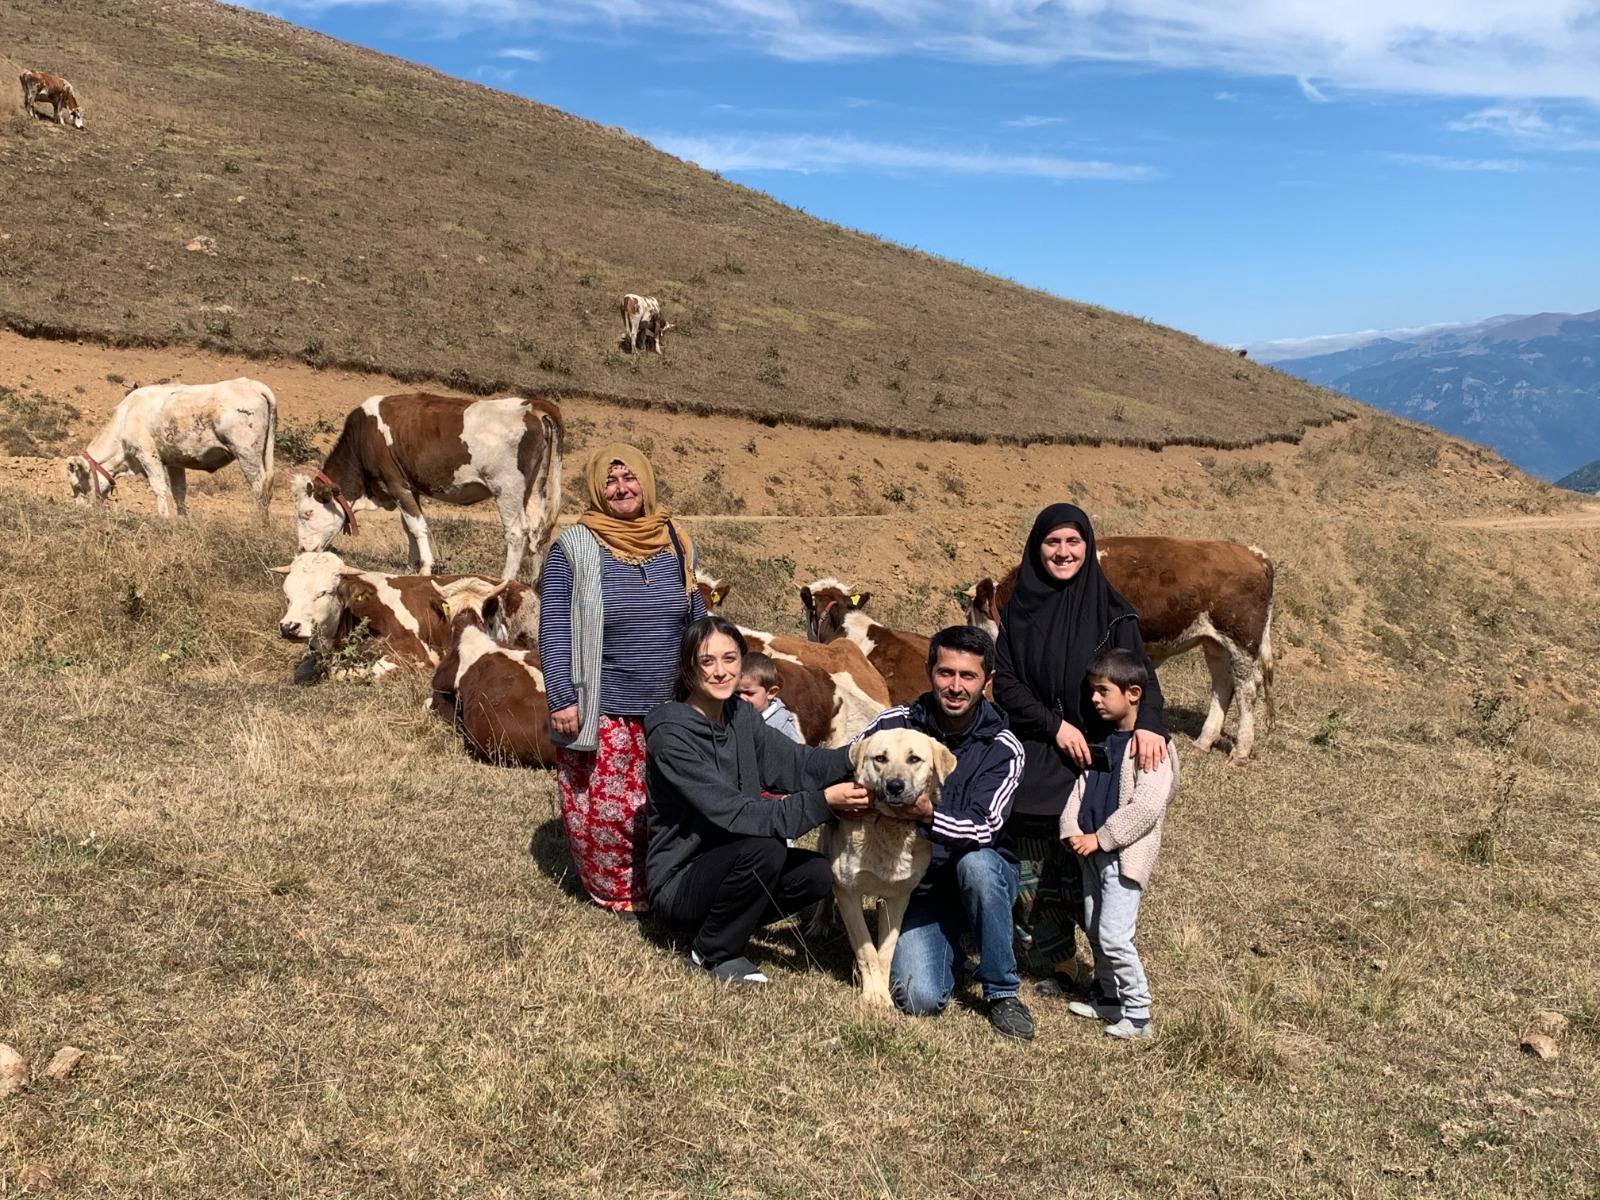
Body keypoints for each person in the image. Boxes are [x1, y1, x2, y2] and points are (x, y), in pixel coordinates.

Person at [993, 503, 1167, 995]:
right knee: (1028, 851)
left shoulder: (1113, 614)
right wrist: (1055, 726)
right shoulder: (1019, 609)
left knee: (1081, 860)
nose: (1063, 552)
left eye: (1073, 542)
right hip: (1035, 743)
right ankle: (1038, 950)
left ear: (1087, 548)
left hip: (1094, 754)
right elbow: (1005, 682)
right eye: (1053, 542)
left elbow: (1143, 679)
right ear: (1037, 548)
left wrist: (1150, 725)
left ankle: (1084, 961)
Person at [645, 616, 871, 984]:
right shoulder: (671, 735)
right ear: (688, 668)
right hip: (681, 881)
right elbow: (734, 813)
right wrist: (825, 802)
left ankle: (727, 923)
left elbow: (797, 764)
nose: (721, 672)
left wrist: (856, 755)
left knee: (816, 875)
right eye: (707, 661)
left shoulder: (740, 716)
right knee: (764, 848)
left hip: (734, 861)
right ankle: (711, 951)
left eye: (730, 659)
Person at [539, 444, 707, 916]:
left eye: (629, 479)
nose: (621, 489)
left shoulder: (675, 539)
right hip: (603, 703)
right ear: (597, 489)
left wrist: (715, 670)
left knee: (665, 801)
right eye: (610, 481)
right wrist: (561, 698)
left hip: (669, 703)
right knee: (607, 810)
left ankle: (665, 882)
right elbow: (553, 627)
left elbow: (697, 612)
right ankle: (616, 893)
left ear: (646, 484)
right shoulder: (574, 546)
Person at [853, 625, 1032, 1040]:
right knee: (917, 997)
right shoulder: (894, 723)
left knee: (979, 866)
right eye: (945, 673)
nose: (955, 686)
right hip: (919, 884)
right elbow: (853, 761)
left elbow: (984, 827)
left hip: (978, 869)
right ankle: (952, 944)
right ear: (930, 672)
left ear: (987, 682)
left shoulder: (1004, 748)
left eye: (968, 676)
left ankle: (1002, 991)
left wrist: (926, 815)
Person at [1061, 648, 1178, 1039]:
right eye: (1092, 691)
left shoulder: (1152, 748)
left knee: (1114, 934)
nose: (1094, 699)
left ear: (1133, 693)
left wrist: (1102, 838)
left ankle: (1139, 1012)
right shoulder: (1103, 739)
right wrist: (1070, 828)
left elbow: (1146, 806)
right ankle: (1110, 999)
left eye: (1102, 691)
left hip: (1122, 858)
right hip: (1092, 855)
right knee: (1095, 927)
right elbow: (1082, 786)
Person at [737, 652, 804, 744]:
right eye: (737, 693)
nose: (741, 697)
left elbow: (797, 756)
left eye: (749, 693)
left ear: (771, 692)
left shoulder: (782, 729)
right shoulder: (735, 715)